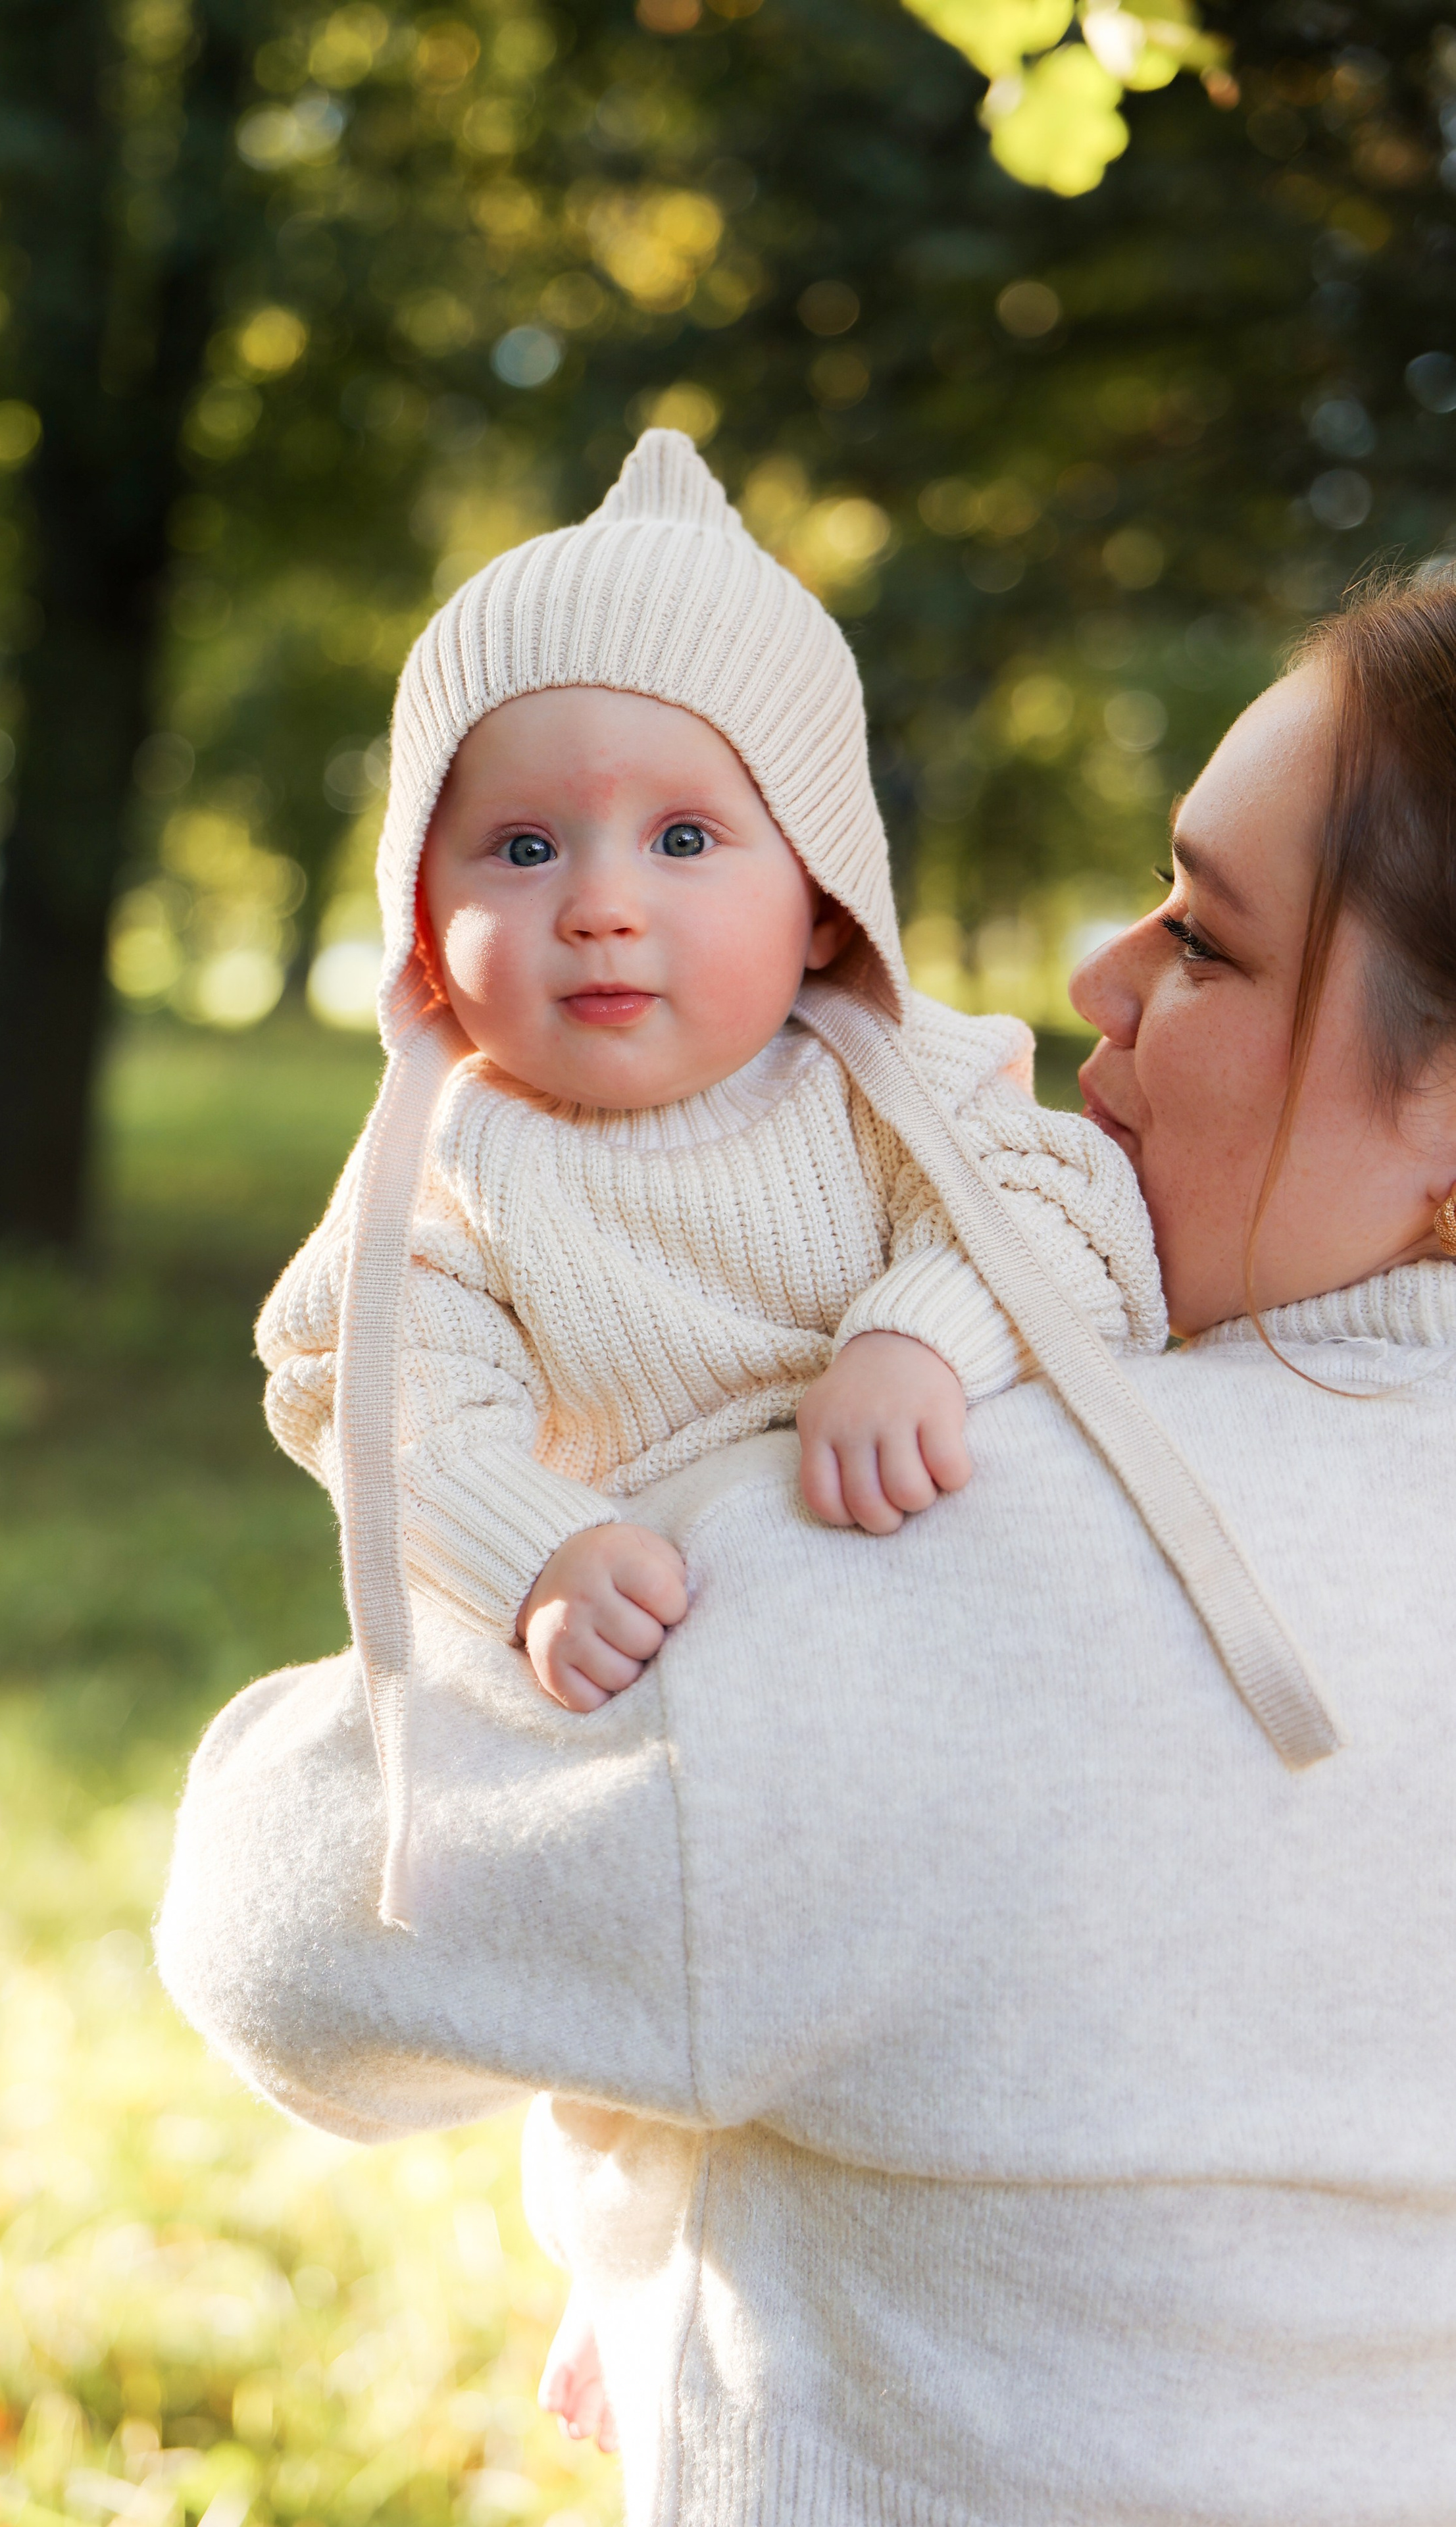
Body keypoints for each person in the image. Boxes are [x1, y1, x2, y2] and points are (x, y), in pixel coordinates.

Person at [160, 576, 1456, 2524]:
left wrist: (609, 1548)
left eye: (1205, 938)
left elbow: (283, 1927)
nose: (1099, 977)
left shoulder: (928, 1569)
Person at [255, 428, 1161, 1881]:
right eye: (523, 849)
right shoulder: (453, 1167)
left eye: (683, 838)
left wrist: (918, 1341)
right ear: (422, 913)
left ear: (818, 899)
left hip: (982, 1677)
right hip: (685, 1709)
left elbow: (1078, 1216)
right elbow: (375, 1390)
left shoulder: (899, 1081)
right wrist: (537, 1550)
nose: (602, 903)